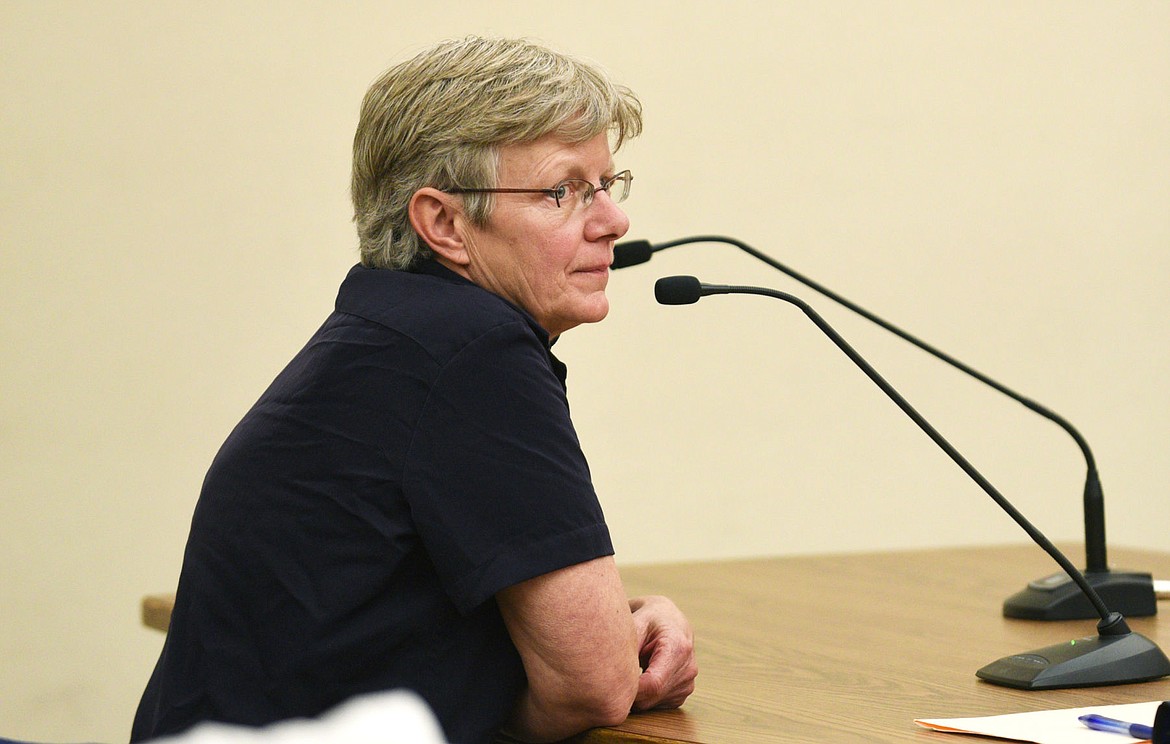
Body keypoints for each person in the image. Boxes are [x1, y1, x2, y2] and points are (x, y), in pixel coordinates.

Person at [131, 36, 697, 744]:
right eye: (563, 190)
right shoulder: (471, 351)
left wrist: (628, 620)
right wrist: (609, 654)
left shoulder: (399, 335)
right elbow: (593, 687)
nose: (613, 221)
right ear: (444, 224)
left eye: (607, 185)